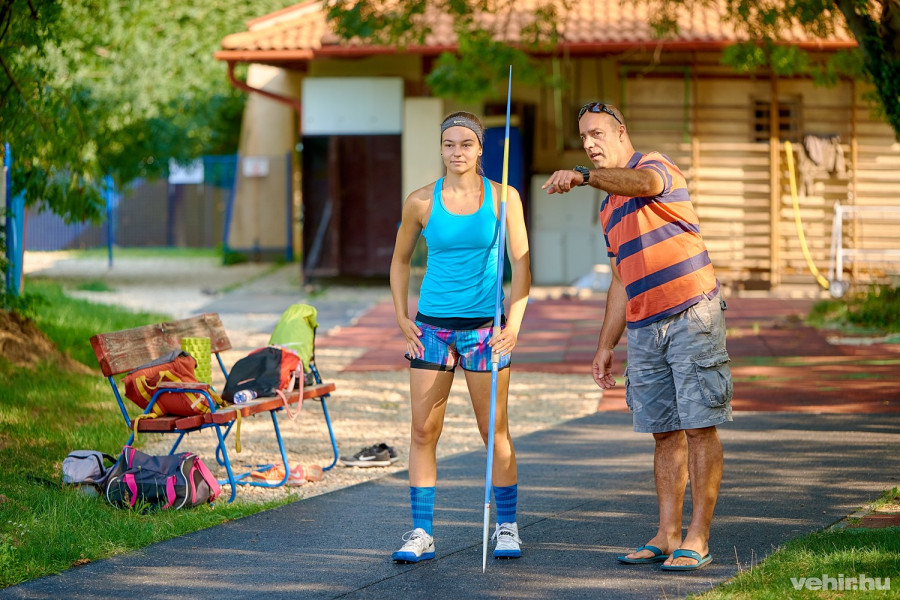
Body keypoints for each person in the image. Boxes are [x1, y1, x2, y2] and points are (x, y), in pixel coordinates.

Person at [542, 102, 733, 571]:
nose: (589, 143)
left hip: (692, 311)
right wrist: (606, 344)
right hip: (645, 326)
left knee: (698, 426)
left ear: (620, 131)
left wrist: (584, 175)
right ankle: (667, 534)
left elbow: (643, 185)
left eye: (597, 134)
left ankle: (698, 536)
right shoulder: (609, 209)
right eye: (583, 138)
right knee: (663, 433)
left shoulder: (656, 167)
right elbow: (620, 279)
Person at [389, 111, 531, 563]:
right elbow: (399, 261)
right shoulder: (420, 202)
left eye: (465, 144)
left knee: (495, 432)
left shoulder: (504, 198)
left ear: (480, 149)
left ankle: (507, 527)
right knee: (422, 430)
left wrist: (515, 323)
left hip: (484, 332)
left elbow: (523, 264)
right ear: (442, 148)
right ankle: (421, 532)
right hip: (430, 328)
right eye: (449, 144)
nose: (456, 152)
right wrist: (400, 316)